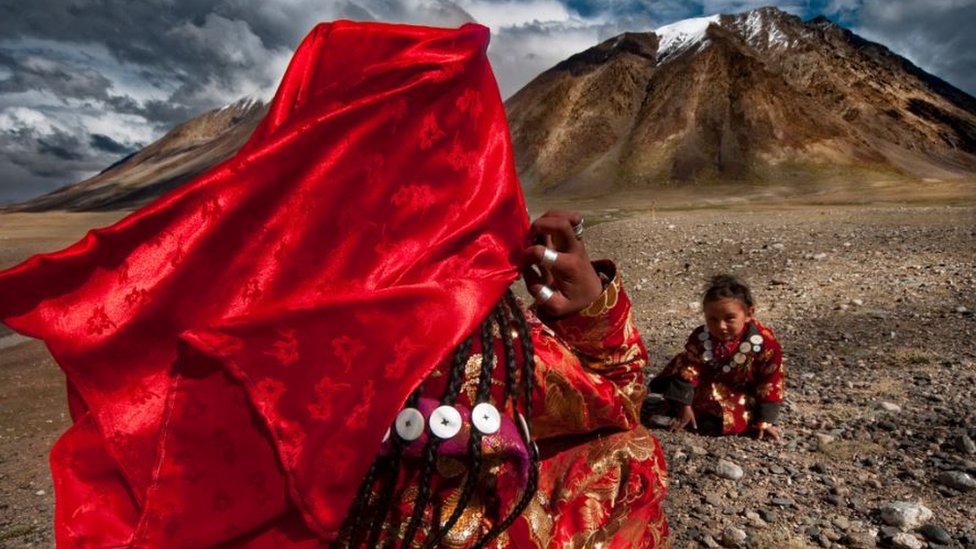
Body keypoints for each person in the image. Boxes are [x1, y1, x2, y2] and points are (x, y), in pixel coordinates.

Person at [0, 21, 668, 548]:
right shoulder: (473, 334)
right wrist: (589, 307)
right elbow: (618, 399)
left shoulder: (232, 328)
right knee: (630, 456)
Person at [649, 274, 785, 439]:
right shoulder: (701, 337)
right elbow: (688, 370)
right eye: (712, 319)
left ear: (749, 313)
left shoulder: (766, 344)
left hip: (741, 391)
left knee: (738, 414)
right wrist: (683, 405)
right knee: (682, 367)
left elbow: (770, 380)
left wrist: (765, 420)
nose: (721, 326)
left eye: (730, 319)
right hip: (705, 385)